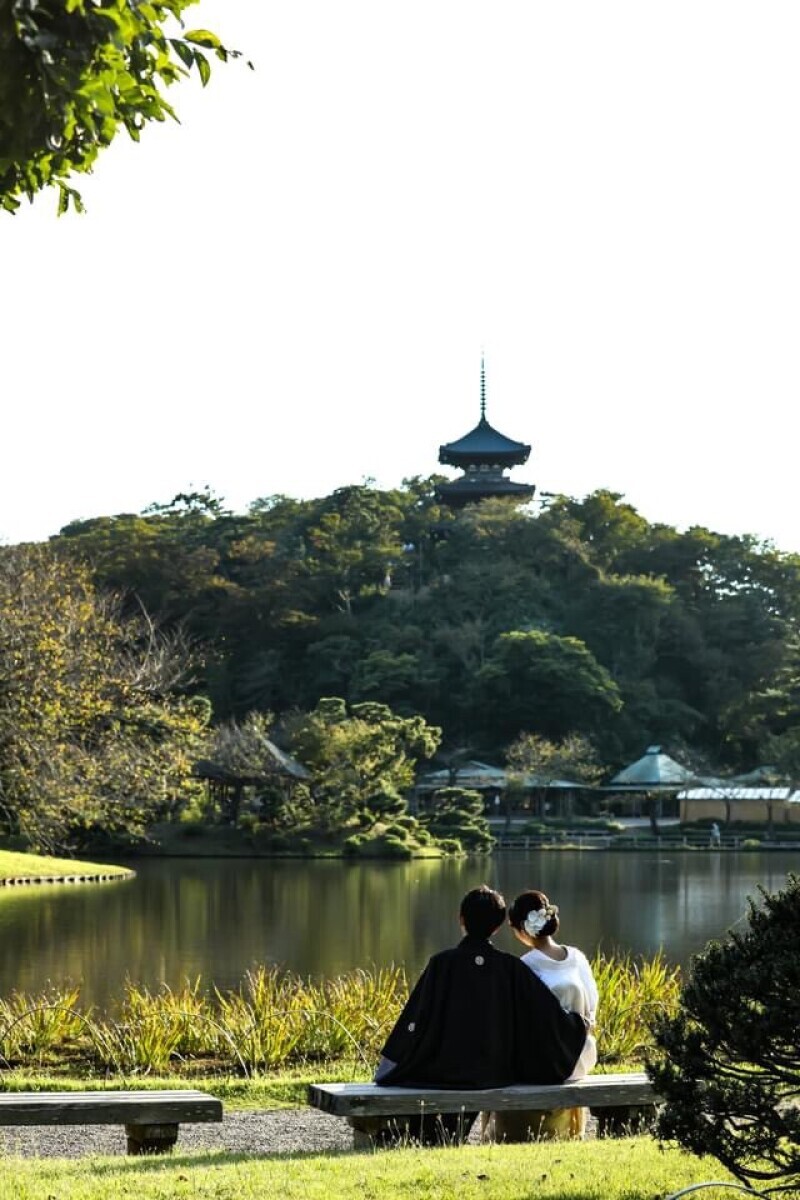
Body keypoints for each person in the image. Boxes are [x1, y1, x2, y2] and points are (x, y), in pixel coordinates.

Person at [371, 884, 588, 1144]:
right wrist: (576, 1025)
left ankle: (434, 1135)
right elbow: (545, 1017)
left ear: (461, 919)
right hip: (494, 1071)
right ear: (497, 927)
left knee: (423, 1087)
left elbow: (416, 1020)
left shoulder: (441, 963)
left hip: (444, 1070)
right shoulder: (511, 968)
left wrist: (395, 1060)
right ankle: (444, 1135)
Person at [487, 889, 599, 1142]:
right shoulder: (577, 957)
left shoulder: (526, 966)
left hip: (546, 1062)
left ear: (522, 930)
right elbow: (592, 1008)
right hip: (580, 1056)